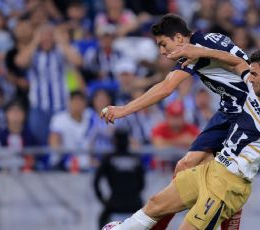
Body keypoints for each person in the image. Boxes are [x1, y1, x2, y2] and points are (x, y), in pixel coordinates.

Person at [102, 48, 260, 230]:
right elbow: (235, 62)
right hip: (212, 169)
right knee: (156, 204)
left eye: (254, 74)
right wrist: (197, 51)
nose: (248, 78)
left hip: (229, 185)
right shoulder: (254, 88)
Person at [100, 13, 249, 229]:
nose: (162, 51)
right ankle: (158, 225)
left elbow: (166, 87)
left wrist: (124, 109)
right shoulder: (208, 39)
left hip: (246, 116)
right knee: (185, 166)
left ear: (179, 38)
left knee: (222, 180)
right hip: (228, 110)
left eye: (163, 44)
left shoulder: (195, 50)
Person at [94, 129, 145, 229]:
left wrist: (103, 200)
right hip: (135, 203)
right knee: (149, 219)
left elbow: (96, 182)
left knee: (102, 220)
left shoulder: (108, 159)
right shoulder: (136, 159)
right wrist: (134, 194)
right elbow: (142, 182)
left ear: (114, 141)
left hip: (114, 203)